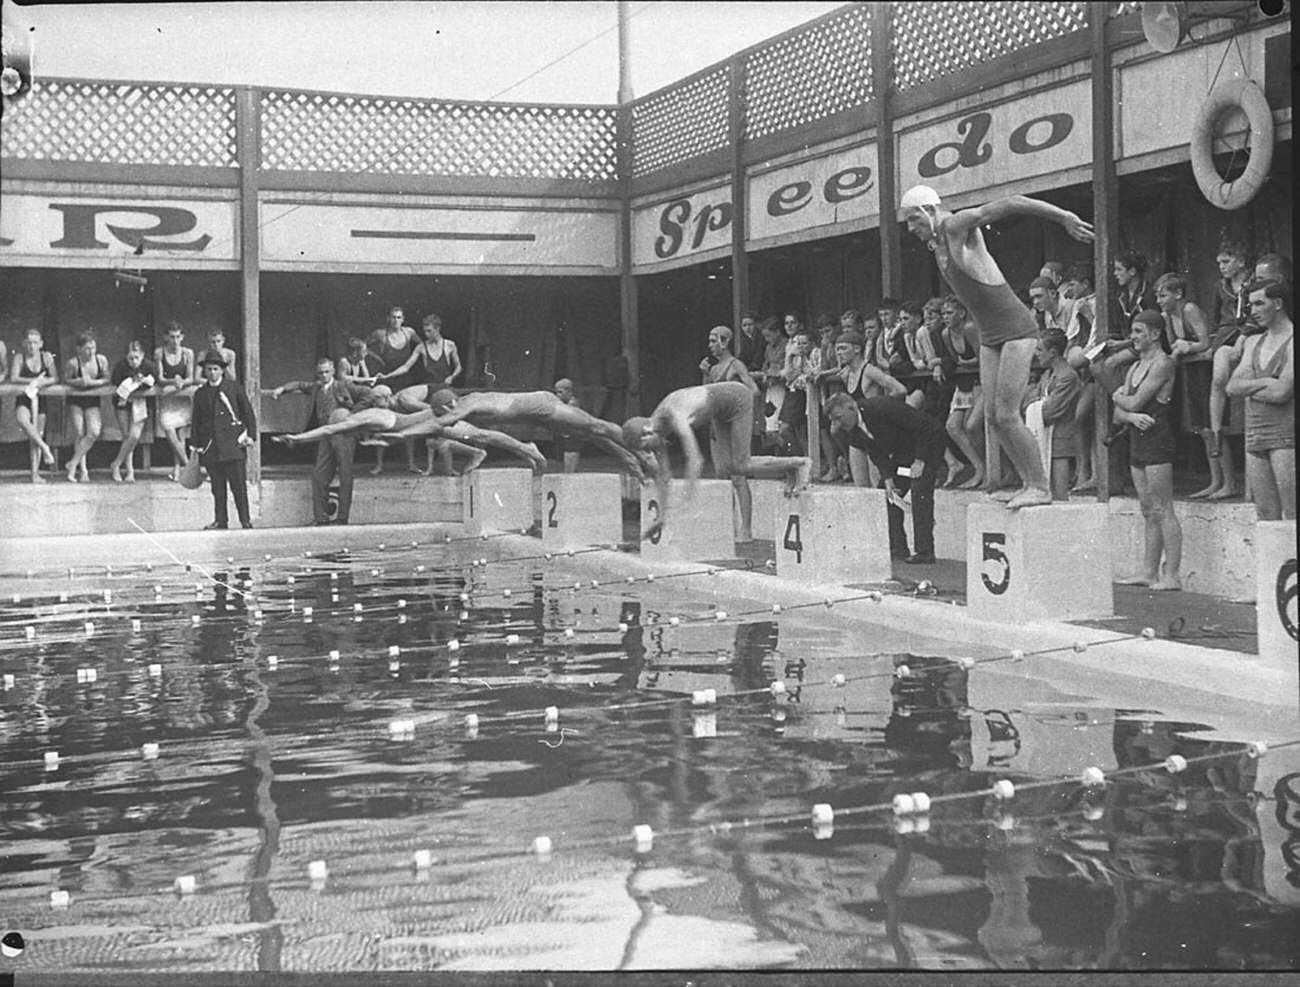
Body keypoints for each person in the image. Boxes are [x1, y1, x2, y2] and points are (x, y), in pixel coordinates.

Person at [898, 185, 1094, 509]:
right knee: (991, 416)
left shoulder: (955, 225)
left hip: (1016, 329)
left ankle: (1040, 486)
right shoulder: (937, 241)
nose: (910, 229)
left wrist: (1064, 217)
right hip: (990, 336)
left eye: (913, 221)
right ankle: (1019, 481)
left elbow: (1012, 202)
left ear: (929, 212)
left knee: (1006, 414)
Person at [621, 380, 810, 543]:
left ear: (647, 433)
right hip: (719, 411)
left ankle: (800, 463)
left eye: (646, 449)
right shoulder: (655, 429)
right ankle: (789, 468)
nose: (650, 453)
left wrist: (688, 498)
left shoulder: (673, 414)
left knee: (741, 465)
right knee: (727, 469)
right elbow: (663, 475)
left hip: (737, 398)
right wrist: (661, 518)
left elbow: (695, 459)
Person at [425, 387, 651, 481]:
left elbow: (445, 420)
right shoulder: (463, 407)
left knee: (596, 426)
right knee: (589, 434)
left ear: (447, 405)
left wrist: (407, 430)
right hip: (533, 415)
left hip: (539, 405)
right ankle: (628, 458)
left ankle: (642, 453)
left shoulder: (466, 404)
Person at [825, 391, 945, 564]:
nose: (837, 424)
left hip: (929, 442)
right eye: (833, 420)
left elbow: (923, 427)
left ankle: (925, 551)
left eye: (839, 417)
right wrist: (888, 478)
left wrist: (920, 460)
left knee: (920, 491)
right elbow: (875, 453)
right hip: (904, 452)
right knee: (887, 496)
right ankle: (898, 548)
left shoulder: (881, 407)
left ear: (851, 407)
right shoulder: (851, 430)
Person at [276, 397, 544, 473]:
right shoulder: (365, 420)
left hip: (434, 422)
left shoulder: (366, 418)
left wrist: (299, 439)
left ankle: (528, 448)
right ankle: (525, 449)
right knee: (484, 436)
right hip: (428, 424)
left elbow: (329, 430)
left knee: (485, 436)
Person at [1113, 312, 1180, 590]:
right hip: (1138, 438)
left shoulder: (1162, 364)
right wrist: (1128, 414)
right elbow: (1120, 414)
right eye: (1132, 331)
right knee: (1147, 509)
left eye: (1139, 331)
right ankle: (1148, 571)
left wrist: (1119, 398)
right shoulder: (1134, 368)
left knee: (1164, 508)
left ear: (1154, 334)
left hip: (1157, 438)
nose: (1133, 336)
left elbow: (1136, 400)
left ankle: (1172, 575)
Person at [271, 356, 382, 526]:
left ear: (333, 371)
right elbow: (299, 384)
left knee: (345, 474)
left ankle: (342, 517)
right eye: (320, 373)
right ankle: (321, 517)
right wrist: (282, 389)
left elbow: (368, 393)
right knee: (319, 475)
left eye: (326, 372)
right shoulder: (316, 387)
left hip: (343, 435)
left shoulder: (342, 385)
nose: (323, 375)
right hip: (326, 434)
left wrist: (352, 414)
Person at [1226, 280, 1294, 521]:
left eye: (1258, 303)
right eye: (1249, 305)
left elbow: (1282, 392)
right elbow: (1232, 386)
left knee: (1293, 512)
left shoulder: (1292, 340)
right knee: (1265, 513)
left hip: (1286, 436)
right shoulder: (1255, 341)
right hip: (1256, 435)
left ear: (1277, 304)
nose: (1253, 311)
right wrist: (1265, 382)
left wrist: (1251, 388)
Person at [1152, 273, 1220, 499]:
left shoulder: (1189, 309)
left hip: (1203, 368)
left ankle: (1221, 480)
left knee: (1210, 426)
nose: (1160, 300)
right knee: (1200, 426)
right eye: (1157, 296)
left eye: (1164, 295)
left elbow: (1205, 342)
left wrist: (1186, 347)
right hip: (1189, 369)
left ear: (1178, 294)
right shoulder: (1168, 315)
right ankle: (1215, 480)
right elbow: (1173, 345)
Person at [816, 329, 906, 487]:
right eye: (837, 349)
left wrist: (883, 409)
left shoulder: (869, 371)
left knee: (879, 483)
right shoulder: (846, 374)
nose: (839, 353)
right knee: (860, 484)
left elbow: (900, 390)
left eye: (843, 348)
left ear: (857, 349)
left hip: (874, 432)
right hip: (857, 433)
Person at [191, 354, 256, 530]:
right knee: (218, 489)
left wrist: (250, 436)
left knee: (238, 487)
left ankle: (245, 520)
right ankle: (221, 520)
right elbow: (196, 421)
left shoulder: (234, 388)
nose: (212, 373)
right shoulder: (200, 393)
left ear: (222, 370)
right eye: (209, 369)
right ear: (204, 371)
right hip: (211, 447)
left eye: (215, 369)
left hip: (233, 445)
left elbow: (247, 413)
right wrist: (197, 446)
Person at [1023, 329, 1082, 501]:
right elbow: (1027, 402)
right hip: (1046, 435)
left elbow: (1050, 411)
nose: (1036, 354)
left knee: (1059, 495)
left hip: (1060, 440)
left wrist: (1034, 403)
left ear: (1053, 352)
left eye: (1040, 350)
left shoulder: (1067, 377)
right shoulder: (1047, 375)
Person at [937, 296, 984, 490]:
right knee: (952, 426)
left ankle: (986, 470)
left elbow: (983, 357)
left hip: (980, 380)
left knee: (972, 425)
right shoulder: (946, 334)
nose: (945, 317)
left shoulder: (970, 329)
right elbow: (954, 359)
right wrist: (939, 364)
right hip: (963, 382)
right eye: (943, 314)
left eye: (949, 313)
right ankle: (977, 466)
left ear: (962, 313)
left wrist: (967, 363)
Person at [8, 328, 58, 483]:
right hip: (24, 397)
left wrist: (42, 382)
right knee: (23, 420)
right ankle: (45, 447)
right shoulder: (19, 357)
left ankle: (35, 474)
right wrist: (33, 381)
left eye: (35, 342)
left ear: (41, 344)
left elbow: (55, 378)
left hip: (40, 399)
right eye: (29, 342)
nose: (32, 346)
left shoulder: (46, 357)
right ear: (24, 343)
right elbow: (14, 377)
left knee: (35, 435)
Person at [63, 330, 110, 483]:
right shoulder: (73, 363)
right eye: (87, 348)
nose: (91, 351)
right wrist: (79, 382)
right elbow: (66, 380)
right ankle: (83, 470)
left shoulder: (101, 360)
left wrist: (93, 383)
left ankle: (72, 463)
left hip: (92, 399)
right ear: (79, 349)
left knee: (94, 433)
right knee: (79, 432)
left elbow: (107, 378)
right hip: (76, 399)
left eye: (93, 348)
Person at [383, 312, 463, 402]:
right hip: (427, 390)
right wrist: (387, 376)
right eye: (424, 331)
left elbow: (459, 367)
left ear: (437, 329)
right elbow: (406, 367)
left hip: (445, 389)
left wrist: (452, 377)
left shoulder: (449, 345)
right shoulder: (421, 347)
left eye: (429, 331)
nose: (426, 334)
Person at [108, 340, 158, 483]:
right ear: (126, 357)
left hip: (140, 402)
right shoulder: (120, 367)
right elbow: (115, 386)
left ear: (142, 356)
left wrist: (144, 382)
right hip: (122, 402)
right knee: (126, 436)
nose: (134, 361)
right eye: (130, 358)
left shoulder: (149, 366)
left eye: (136, 357)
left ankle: (116, 463)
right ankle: (129, 471)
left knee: (134, 436)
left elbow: (155, 382)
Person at [154, 321, 197, 482]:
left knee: (181, 437)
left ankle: (178, 469)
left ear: (182, 337)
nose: (175, 340)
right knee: (170, 432)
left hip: (181, 397)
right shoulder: (159, 353)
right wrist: (174, 381)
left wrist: (181, 383)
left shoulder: (188, 353)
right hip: (168, 398)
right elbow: (160, 378)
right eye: (172, 337)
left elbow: (191, 378)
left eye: (178, 337)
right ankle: (189, 466)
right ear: (166, 337)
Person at [778, 329, 819, 455]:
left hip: (809, 395)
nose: (801, 347)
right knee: (785, 429)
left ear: (812, 343)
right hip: (795, 393)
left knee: (803, 432)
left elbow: (813, 373)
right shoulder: (797, 357)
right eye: (799, 343)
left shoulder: (816, 354)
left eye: (804, 343)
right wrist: (790, 357)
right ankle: (800, 457)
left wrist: (801, 375)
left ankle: (807, 460)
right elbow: (789, 376)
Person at [552, 377, 583, 473]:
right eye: (556, 392)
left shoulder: (572, 405)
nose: (557, 395)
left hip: (571, 441)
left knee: (569, 472)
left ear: (569, 392)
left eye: (560, 392)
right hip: (566, 441)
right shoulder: (564, 404)